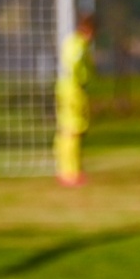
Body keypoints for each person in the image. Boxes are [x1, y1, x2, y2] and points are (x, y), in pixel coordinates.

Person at [56, 13, 96, 187]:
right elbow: (74, 65)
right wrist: (80, 81)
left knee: (68, 130)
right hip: (73, 91)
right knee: (72, 131)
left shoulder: (73, 42)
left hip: (68, 89)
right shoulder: (78, 45)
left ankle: (69, 170)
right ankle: (69, 173)